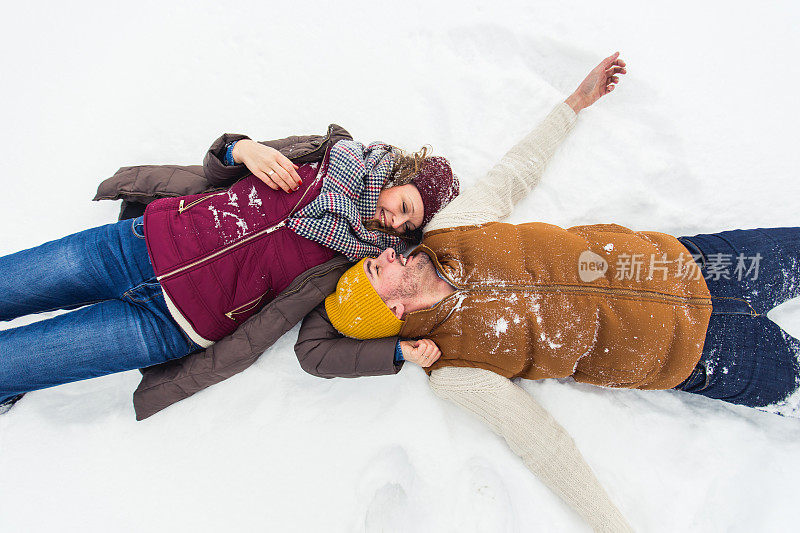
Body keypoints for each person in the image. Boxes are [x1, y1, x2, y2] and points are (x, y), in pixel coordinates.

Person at [293, 50, 800, 531]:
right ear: (395, 307)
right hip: (694, 353)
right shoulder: (453, 368)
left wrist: (575, 103)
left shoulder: (451, 230)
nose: (384, 253)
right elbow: (544, 446)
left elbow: (515, 172)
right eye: (377, 272)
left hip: (689, 263)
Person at [0, 125, 460, 414]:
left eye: (407, 225)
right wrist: (241, 149)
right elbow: (216, 171)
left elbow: (319, 349)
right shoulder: (326, 158)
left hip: (167, 326)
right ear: (400, 177)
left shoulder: (362, 262)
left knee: (11, 364)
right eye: (404, 205)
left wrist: (397, 353)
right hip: (134, 247)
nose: (395, 221)